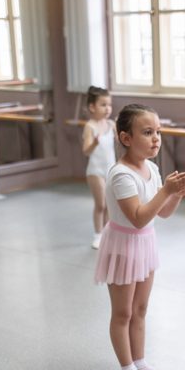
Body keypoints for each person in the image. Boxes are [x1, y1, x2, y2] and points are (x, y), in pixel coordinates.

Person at [94, 104, 185, 370]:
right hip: (123, 247)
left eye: (158, 132)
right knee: (123, 312)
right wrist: (167, 190)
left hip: (144, 245)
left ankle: (139, 363)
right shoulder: (120, 175)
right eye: (148, 132)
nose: (156, 139)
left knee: (140, 309)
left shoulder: (150, 168)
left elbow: (161, 214)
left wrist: (175, 194)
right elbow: (138, 217)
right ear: (126, 138)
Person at [82, 86, 117, 249]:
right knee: (101, 204)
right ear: (92, 107)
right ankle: (98, 235)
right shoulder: (90, 127)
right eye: (103, 105)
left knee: (110, 204)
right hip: (95, 172)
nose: (107, 108)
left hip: (110, 170)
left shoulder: (111, 124)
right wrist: (95, 142)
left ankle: (108, 234)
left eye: (109, 105)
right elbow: (86, 151)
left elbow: (119, 141)